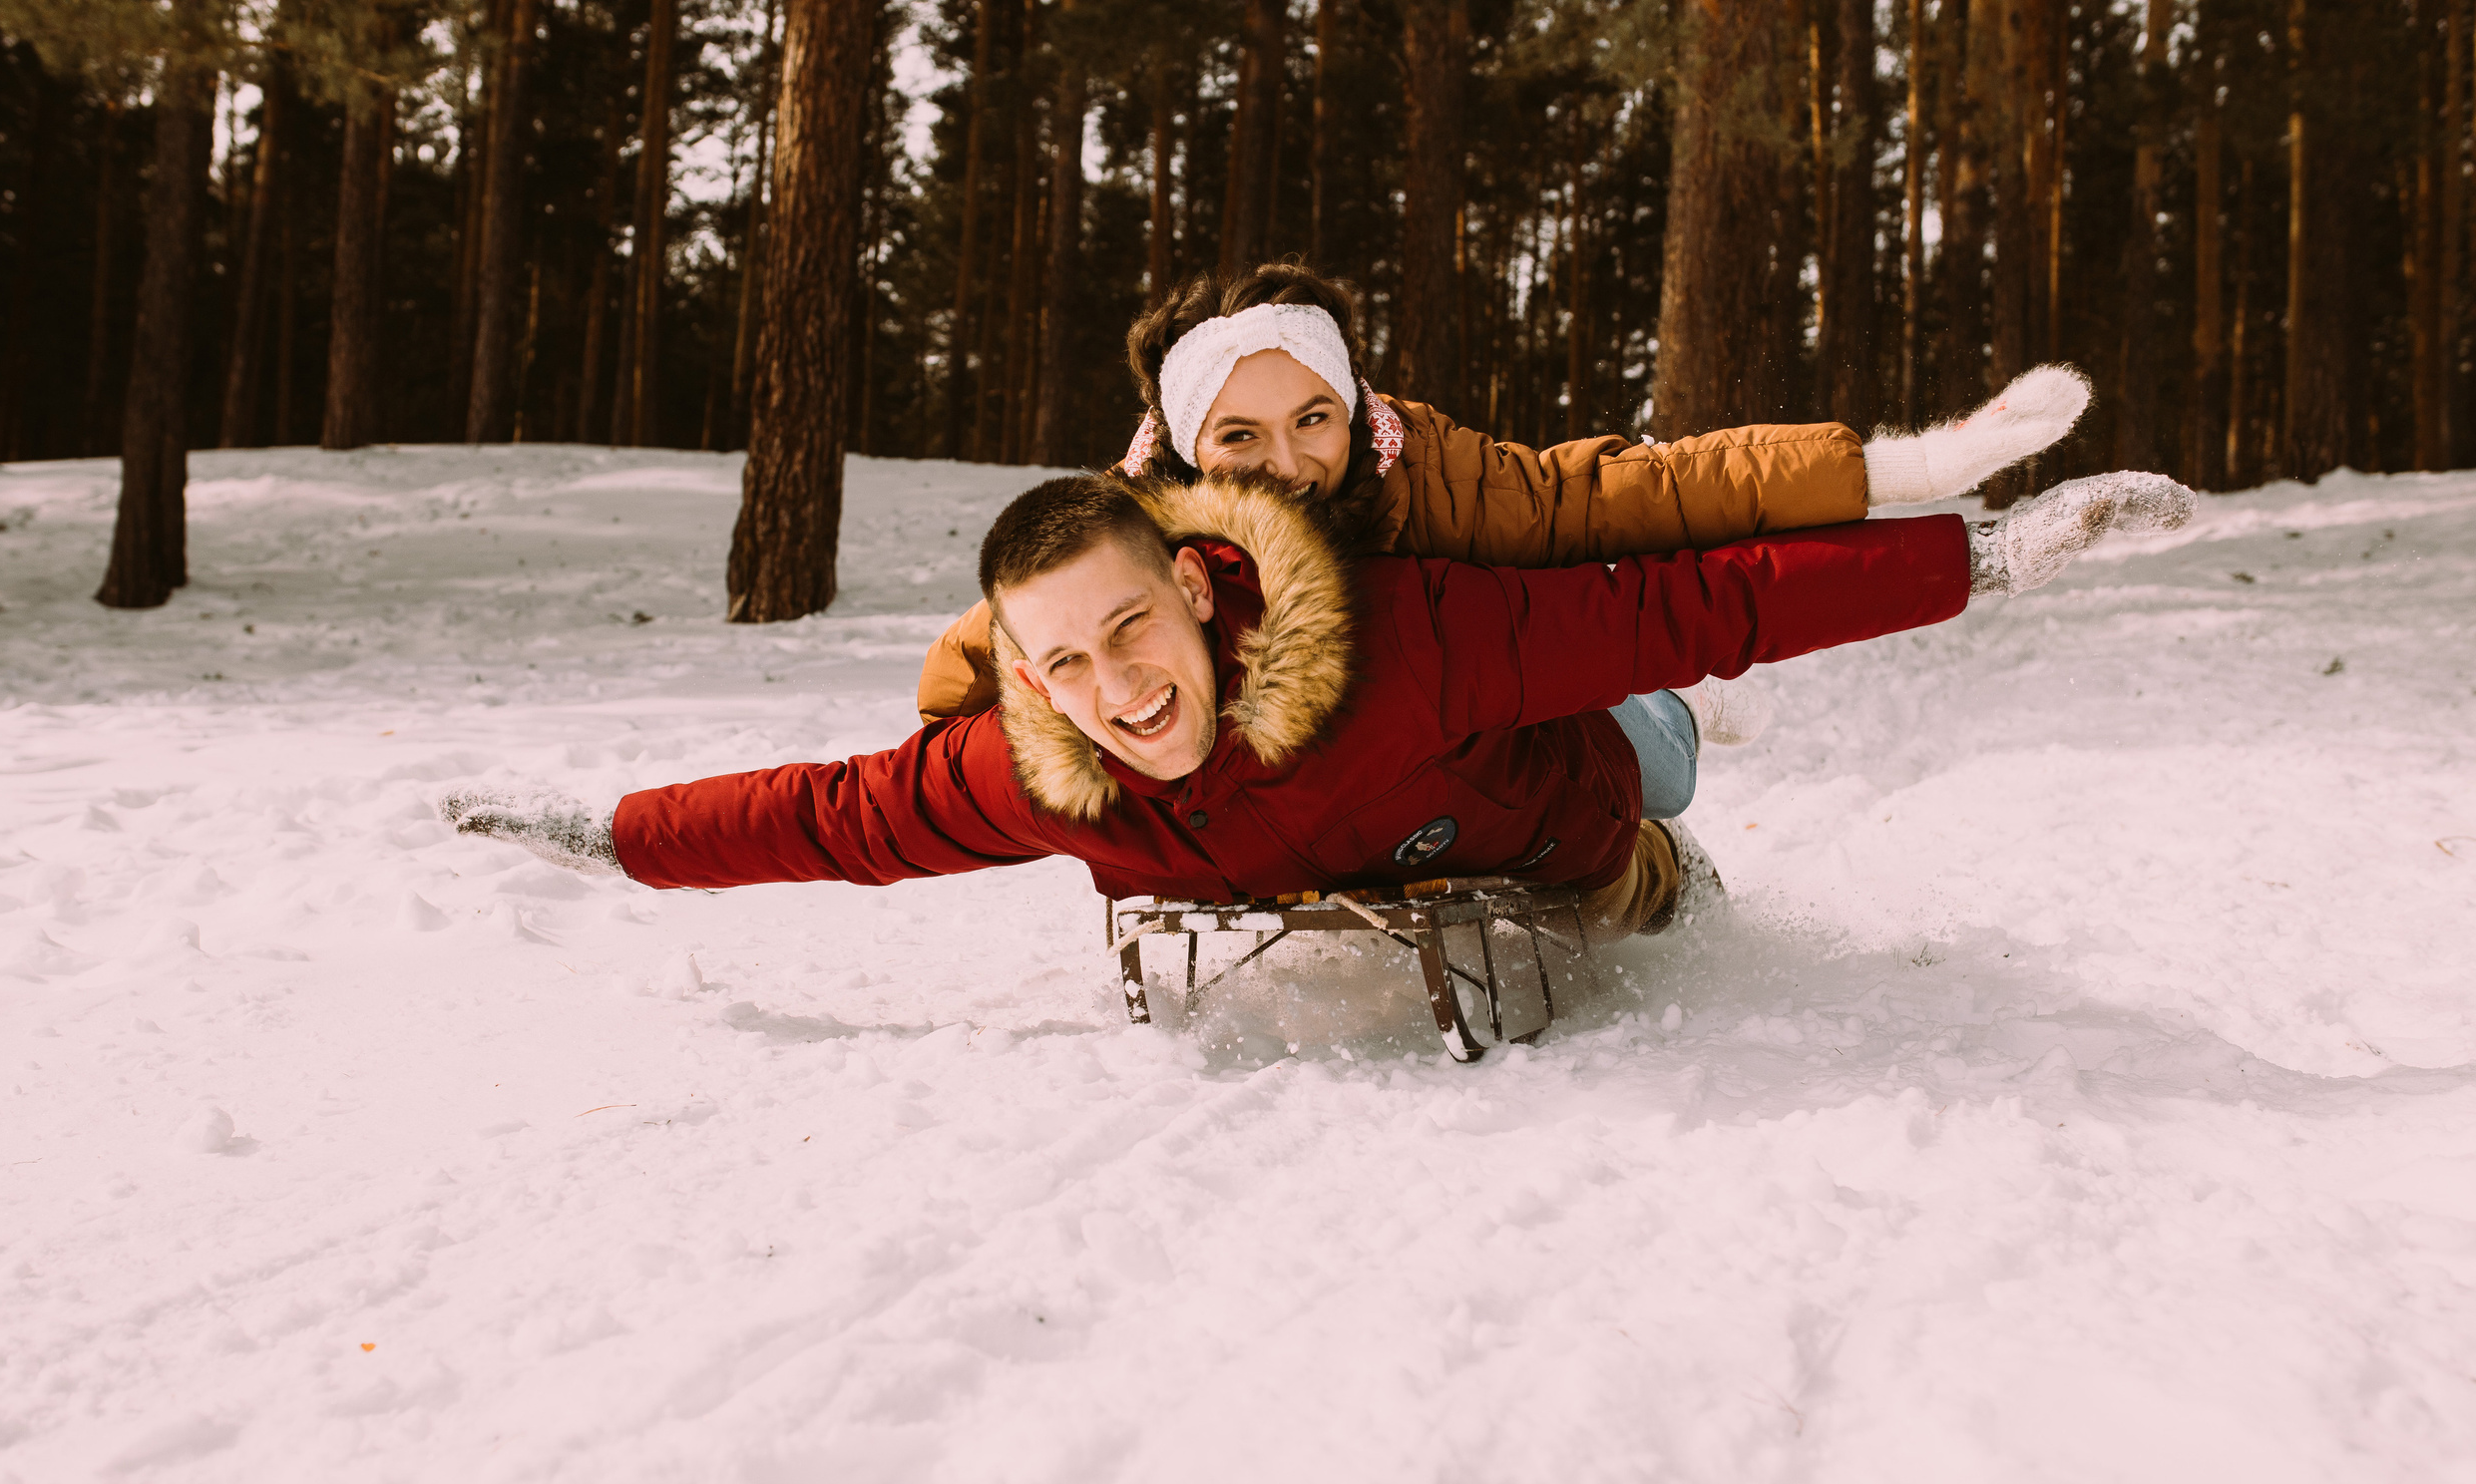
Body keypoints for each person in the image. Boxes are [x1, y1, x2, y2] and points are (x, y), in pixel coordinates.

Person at [444, 466, 2194, 944]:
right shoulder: (1046, 767)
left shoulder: (1399, 639)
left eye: (1132, 630)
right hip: (1387, 856)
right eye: (1063, 661)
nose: (1115, 688)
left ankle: (1664, 755)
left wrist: (1989, 555)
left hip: (1560, 813)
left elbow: (1708, 591)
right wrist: (612, 840)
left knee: (1645, 740)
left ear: (1197, 595)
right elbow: (835, 816)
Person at [912, 262, 2095, 734]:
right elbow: (992, 657)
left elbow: (1653, 492)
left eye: (1310, 420)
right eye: (1238, 436)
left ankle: (1658, 741)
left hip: (1499, 717)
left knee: (1652, 759)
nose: (1285, 461)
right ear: (1181, 442)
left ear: (1352, 409)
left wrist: (1915, 470)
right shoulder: (1125, 533)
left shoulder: (1424, 471)